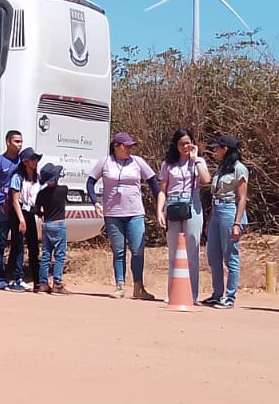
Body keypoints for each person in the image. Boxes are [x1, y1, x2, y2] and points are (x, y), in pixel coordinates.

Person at [87, 132, 160, 300]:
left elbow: (152, 181)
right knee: (118, 251)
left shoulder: (138, 162)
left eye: (131, 146)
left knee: (137, 250)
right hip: (113, 214)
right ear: (116, 146)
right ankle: (119, 286)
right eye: (126, 146)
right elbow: (90, 182)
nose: (129, 149)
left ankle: (138, 287)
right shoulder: (105, 162)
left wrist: (160, 203)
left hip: (135, 213)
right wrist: (95, 201)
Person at [156, 129, 210, 303]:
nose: (185, 146)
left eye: (188, 142)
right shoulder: (168, 164)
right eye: (181, 143)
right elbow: (162, 190)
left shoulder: (198, 161)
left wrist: (195, 160)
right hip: (173, 204)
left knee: (192, 249)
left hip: (192, 204)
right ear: (176, 145)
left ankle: (192, 293)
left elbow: (206, 179)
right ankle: (172, 292)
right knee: (173, 250)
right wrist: (159, 211)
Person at [204, 135, 249, 309]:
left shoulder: (240, 169)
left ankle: (230, 296)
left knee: (230, 255)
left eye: (218, 148)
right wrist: (210, 220)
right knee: (213, 255)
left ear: (226, 149)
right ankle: (217, 294)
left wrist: (237, 223)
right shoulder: (222, 168)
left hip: (230, 211)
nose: (215, 151)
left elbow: (242, 198)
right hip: (217, 211)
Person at [0, 130, 27, 290]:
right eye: (17, 141)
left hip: (18, 208)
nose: (20, 145)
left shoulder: (23, 162)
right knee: (0, 242)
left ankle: (18, 276)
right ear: (8, 142)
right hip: (2, 206)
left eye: (21, 142)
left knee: (18, 242)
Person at [4, 147, 42, 293]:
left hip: (30, 213)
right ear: (25, 162)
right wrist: (21, 220)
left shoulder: (37, 177)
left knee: (33, 247)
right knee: (17, 246)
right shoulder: (17, 177)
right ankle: (13, 279)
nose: (36, 161)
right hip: (18, 214)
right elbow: (14, 200)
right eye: (33, 159)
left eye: (37, 159)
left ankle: (37, 281)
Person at [34, 161, 70, 295]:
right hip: (59, 224)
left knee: (46, 255)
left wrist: (43, 215)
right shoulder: (63, 190)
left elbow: (36, 210)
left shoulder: (41, 193)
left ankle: (43, 284)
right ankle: (57, 284)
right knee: (59, 255)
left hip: (47, 224)